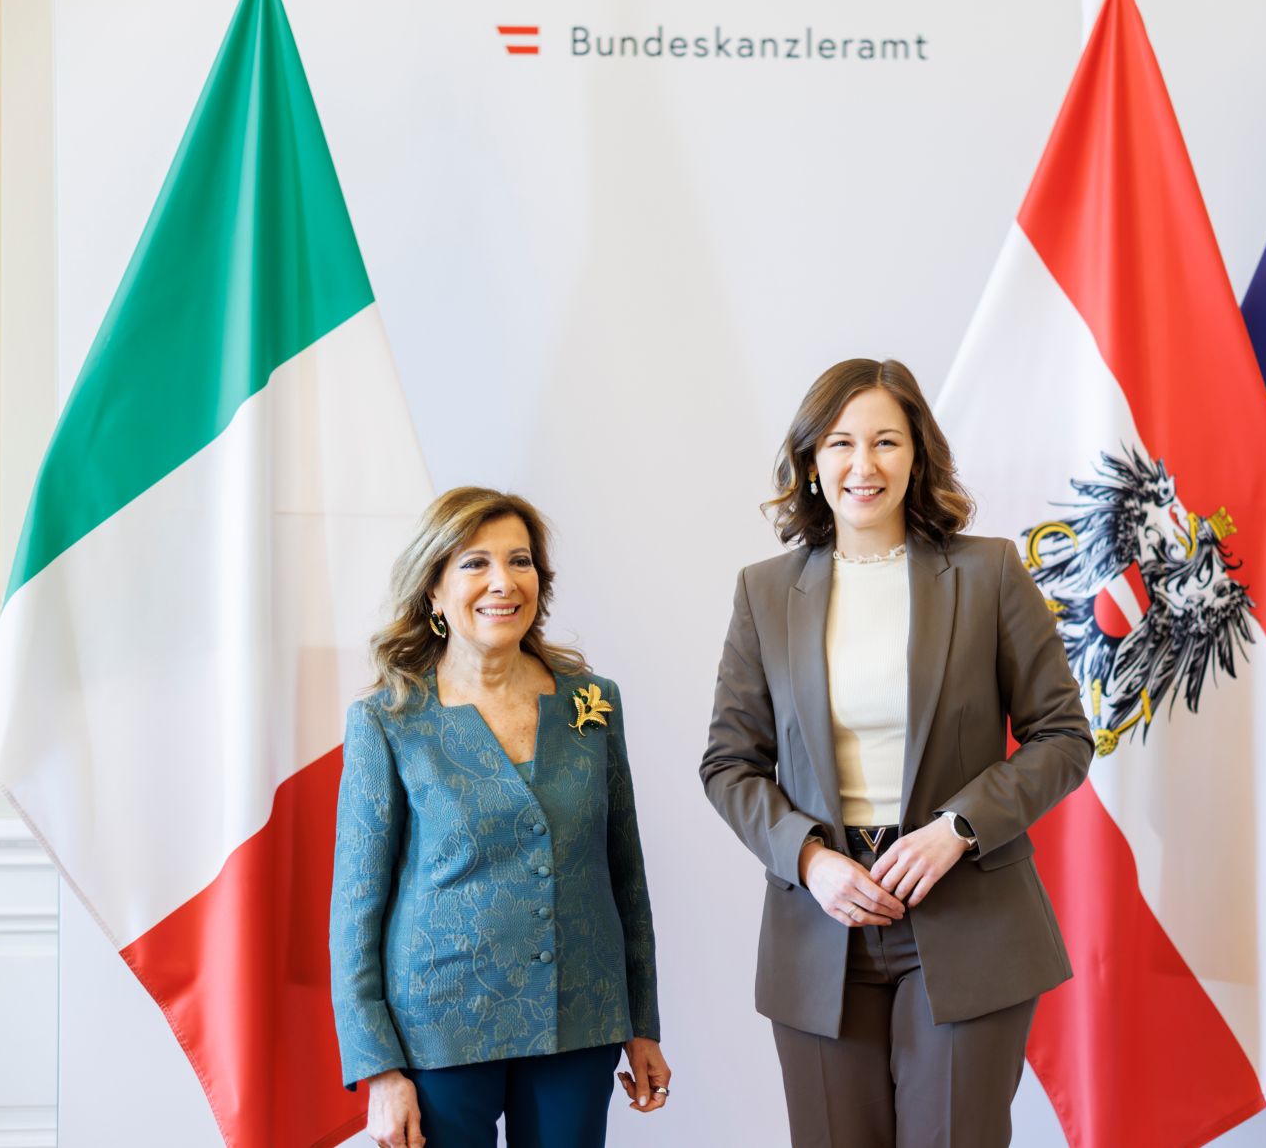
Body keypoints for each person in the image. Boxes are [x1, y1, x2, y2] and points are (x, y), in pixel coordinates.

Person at [700, 358, 1092, 1147]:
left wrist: (958, 827)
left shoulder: (988, 573)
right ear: (812, 462)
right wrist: (809, 859)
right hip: (820, 928)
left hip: (970, 914)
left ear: (917, 455)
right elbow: (729, 764)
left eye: (886, 440)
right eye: (841, 442)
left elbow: (1063, 735)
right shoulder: (765, 592)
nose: (864, 464)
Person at [330, 487, 668, 1148]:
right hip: (438, 1028)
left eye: (520, 561)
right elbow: (356, 904)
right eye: (475, 563)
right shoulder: (388, 719)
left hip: (580, 1017)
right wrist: (378, 1068)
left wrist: (643, 1022)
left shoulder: (592, 703)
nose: (503, 582)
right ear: (433, 589)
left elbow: (626, 873)